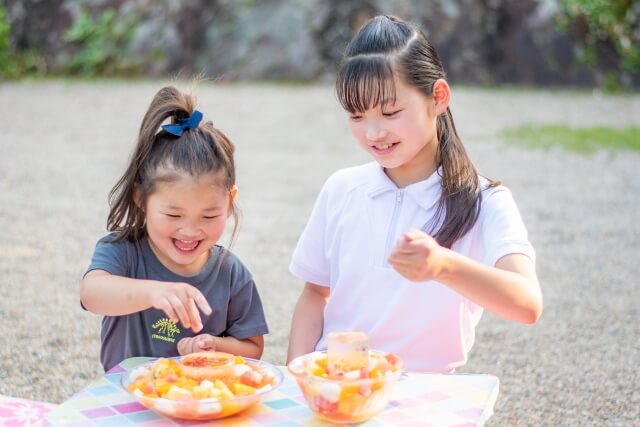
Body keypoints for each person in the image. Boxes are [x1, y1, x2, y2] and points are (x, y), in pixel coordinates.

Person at [287, 15, 542, 373]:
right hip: (336, 386)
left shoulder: (484, 200)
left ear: (438, 97)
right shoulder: (342, 189)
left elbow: (528, 304)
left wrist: (444, 265)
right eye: (357, 116)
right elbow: (315, 294)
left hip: (426, 396)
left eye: (390, 112)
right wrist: (299, 376)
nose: (374, 132)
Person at [81, 85, 268, 372]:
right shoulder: (123, 250)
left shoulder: (231, 273)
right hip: (126, 402)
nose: (190, 231)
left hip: (202, 401)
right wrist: (152, 292)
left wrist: (215, 346)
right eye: (173, 214)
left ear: (230, 202)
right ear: (140, 198)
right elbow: (91, 294)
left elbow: (252, 349)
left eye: (209, 216)